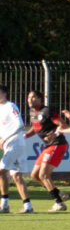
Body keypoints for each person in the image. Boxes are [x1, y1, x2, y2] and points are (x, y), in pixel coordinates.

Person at [25, 92, 70, 212]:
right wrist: (22, 136)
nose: (30, 99)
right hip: (48, 146)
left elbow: (63, 125)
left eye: (33, 97)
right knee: (34, 175)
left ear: (40, 99)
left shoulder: (47, 111)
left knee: (43, 175)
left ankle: (59, 203)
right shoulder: (33, 113)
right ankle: (59, 193)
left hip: (57, 144)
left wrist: (54, 134)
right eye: (29, 97)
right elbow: (35, 129)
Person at [0, 84, 32, 214]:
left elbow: (19, 125)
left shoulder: (10, 106)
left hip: (15, 143)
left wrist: (4, 138)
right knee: (17, 176)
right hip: (11, 144)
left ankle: (4, 204)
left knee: (1, 171)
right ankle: (28, 206)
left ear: (4, 93)